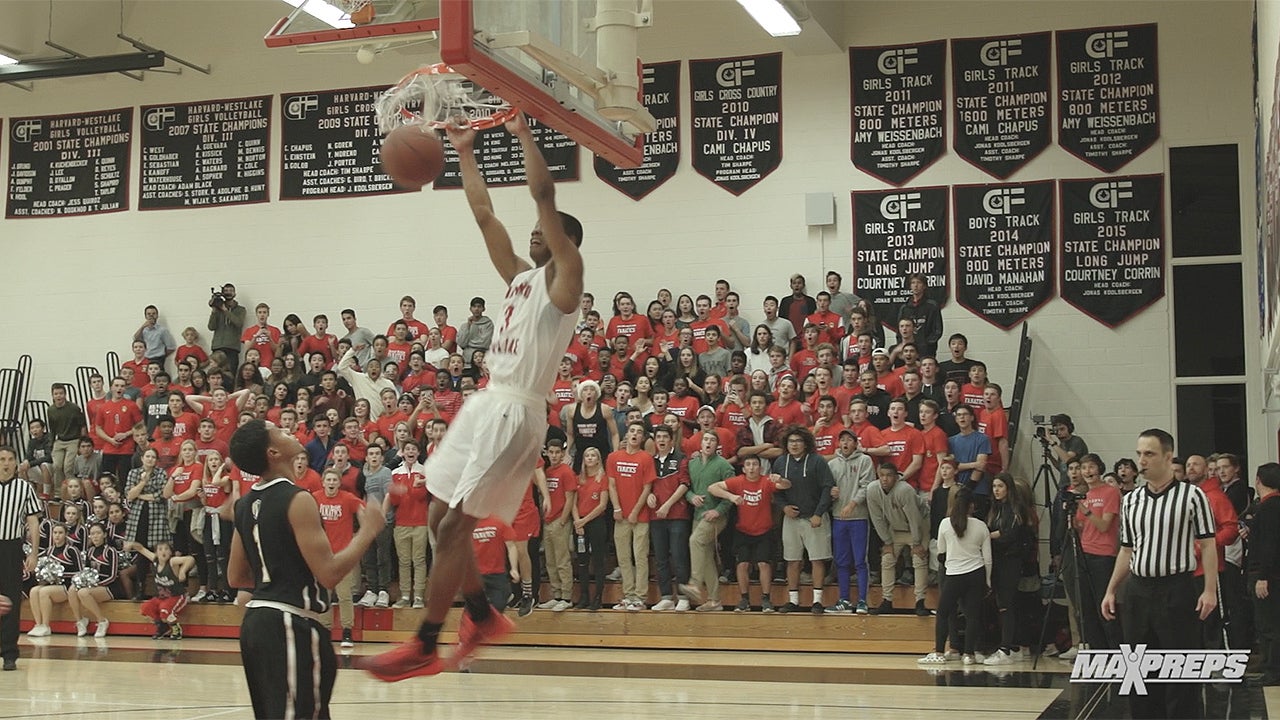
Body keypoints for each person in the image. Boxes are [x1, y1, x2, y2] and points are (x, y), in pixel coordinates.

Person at [361, 113, 584, 681]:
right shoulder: (518, 279)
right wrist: (463, 149)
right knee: (438, 517)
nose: (535, 233)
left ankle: (425, 643)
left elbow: (543, 194)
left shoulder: (566, 281)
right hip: (487, 401)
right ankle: (482, 612)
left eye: (546, 231)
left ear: (564, 239)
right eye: (535, 232)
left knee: (455, 527)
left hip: (517, 410)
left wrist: (527, 137)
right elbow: (484, 214)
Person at [227, 419, 385, 719]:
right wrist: (367, 531)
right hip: (289, 622)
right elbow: (329, 574)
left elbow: (236, 577)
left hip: (257, 623)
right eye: (282, 431)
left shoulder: (244, 504)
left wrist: (279, 571)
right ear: (274, 452)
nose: (291, 433)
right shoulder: (298, 499)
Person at [1101, 429, 1217, 720]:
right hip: (1138, 590)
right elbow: (1126, 550)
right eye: (1139, 453)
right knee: (1138, 671)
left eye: (1149, 454)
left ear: (1167, 457)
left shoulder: (1193, 496)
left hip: (1177, 588)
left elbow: (1208, 544)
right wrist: (1111, 590)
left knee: (1180, 672)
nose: (1142, 460)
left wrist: (1210, 590)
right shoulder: (1131, 500)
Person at [917, 487, 990, 666]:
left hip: (954, 574)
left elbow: (941, 552)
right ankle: (969, 654)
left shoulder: (944, 524)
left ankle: (940, 653)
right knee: (972, 614)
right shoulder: (981, 525)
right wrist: (987, 580)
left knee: (943, 613)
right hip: (976, 573)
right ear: (972, 506)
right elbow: (988, 558)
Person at [710, 454, 791, 612]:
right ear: (744, 468)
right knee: (742, 564)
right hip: (743, 531)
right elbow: (712, 488)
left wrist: (780, 480)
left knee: (763, 564)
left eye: (755, 464)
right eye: (748, 464)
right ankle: (744, 599)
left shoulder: (767, 481)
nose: (752, 467)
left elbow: (787, 485)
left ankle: (766, 599)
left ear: (760, 468)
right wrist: (731, 496)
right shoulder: (738, 481)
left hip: (764, 531)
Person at [773, 426, 835, 614]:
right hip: (791, 519)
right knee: (792, 560)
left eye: (798, 441)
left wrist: (818, 513)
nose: (794, 445)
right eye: (791, 441)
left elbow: (827, 488)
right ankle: (793, 600)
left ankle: (817, 601)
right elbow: (775, 492)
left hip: (814, 518)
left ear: (806, 443)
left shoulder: (817, 461)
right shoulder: (780, 462)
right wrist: (784, 507)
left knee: (817, 559)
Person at [983, 473, 1035, 664]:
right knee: (1004, 604)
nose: (996, 490)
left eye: (1000, 486)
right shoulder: (995, 508)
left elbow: (1010, 533)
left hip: (1011, 560)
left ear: (1009, 488)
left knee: (1007, 603)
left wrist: (989, 536)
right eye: (994, 486)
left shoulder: (1015, 508)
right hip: (998, 559)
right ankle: (1013, 646)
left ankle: (1006, 648)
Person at [866, 463, 929, 615]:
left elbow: (915, 518)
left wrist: (917, 542)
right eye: (882, 475)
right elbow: (877, 518)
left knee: (919, 559)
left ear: (896, 477)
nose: (885, 479)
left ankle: (920, 601)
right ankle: (887, 600)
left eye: (888, 476)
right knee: (887, 559)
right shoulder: (872, 489)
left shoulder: (905, 490)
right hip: (895, 528)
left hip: (919, 525)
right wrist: (886, 541)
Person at [313, 468, 365, 648]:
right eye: (329, 480)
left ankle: (347, 632)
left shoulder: (347, 498)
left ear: (339, 483)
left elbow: (362, 509)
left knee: (344, 596)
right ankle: (324, 632)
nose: (332, 483)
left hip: (342, 556)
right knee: (324, 596)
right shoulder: (315, 498)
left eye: (335, 480)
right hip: (322, 556)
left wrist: (362, 532)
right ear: (323, 482)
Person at [0, 446, 41, 670]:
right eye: (2, 459)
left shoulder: (24, 488)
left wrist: (33, 553)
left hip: (11, 547)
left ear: (16, 463)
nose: (6, 463)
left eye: (10, 459)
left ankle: (9, 653)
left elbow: (33, 522)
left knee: (11, 601)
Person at [827, 429, 874, 614]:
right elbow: (826, 488)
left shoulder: (865, 461)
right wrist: (831, 494)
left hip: (859, 518)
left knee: (860, 560)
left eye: (849, 440)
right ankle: (844, 600)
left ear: (855, 443)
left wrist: (853, 504)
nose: (845, 443)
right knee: (841, 561)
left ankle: (862, 601)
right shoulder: (832, 464)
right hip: (838, 518)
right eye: (842, 440)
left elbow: (867, 486)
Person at [1248, 463, 1280, 684]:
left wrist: (1262, 576)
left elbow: (1270, 544)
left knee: (1269, 624)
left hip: (1267, 575)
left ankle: (1273, 670)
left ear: (1258, 480)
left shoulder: (1269, 508)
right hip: (1270, 573)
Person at [132, 540, 195, 639]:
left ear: (170, 552)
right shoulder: (155, 560)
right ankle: (163, 627)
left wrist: (183, 570)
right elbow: (140, 548)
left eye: (166, 549)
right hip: (162, 597)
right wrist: (131, 544)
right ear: (156, 553)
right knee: (145, 608)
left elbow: (190, 559)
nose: (163, 551)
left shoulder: (172, 562)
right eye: (160, 549)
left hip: (177, 596)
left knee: (165, 611)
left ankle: (176, 629)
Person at [207, 283, 246, 373]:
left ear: (235, 294)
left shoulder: (241, 309)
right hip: (217, 346)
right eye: (226, 291)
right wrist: (214, 311)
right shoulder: (217, 309)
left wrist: (225, 310)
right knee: (215, 373)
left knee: (230, 374)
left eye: (231, 291)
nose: (228, 293)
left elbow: (239, 323)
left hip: (232, 348)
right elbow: (211, 327)